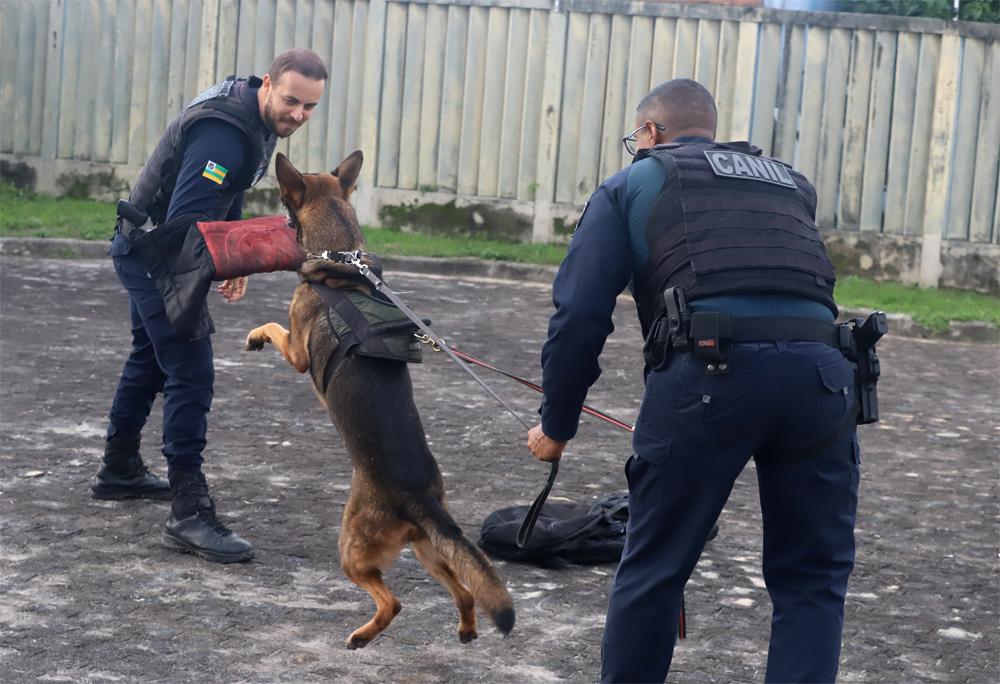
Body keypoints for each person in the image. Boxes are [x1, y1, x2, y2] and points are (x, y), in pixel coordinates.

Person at [527, 79, 861, 682]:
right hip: (824, 378)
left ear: (650, 133)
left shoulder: (633, 183)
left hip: (710, 379)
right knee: (812, 579)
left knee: (655, 568)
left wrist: (557, 423)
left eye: (637, 137)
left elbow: (579, 314)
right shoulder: (791, 183)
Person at [90, 49, 328, 564]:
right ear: (268, 84)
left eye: (310, 107)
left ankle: (120, 469)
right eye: (292, 101)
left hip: (146, 242)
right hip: (158, 253)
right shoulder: (223, 132)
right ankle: (189, 512)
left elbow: (230, 191)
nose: (299, 115)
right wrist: (258, 249)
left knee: (150, 357)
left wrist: (235, 258)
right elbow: (188, 223)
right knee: (190, 368)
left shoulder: (252, 116)